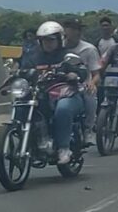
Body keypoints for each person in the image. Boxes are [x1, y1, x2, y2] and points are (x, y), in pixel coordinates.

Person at [20, 21, 87, 165]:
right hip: (41, 94)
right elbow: (23, 71)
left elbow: (82, 70)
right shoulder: (33, 57)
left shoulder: (68, 55)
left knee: (63, 109)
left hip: (67, 94)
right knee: (22, 104)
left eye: (51, 40)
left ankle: (64, 148)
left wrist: (74, 75)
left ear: (59, 40)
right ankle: (32, 144)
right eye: (44, 40)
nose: (48, 43)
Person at [63, 18, 101, 146]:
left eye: (76, 29)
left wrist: (92, 83)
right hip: (60, 83)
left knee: (90, 94)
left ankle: (88, 129)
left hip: (81, 84)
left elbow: (96, 73)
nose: (73, 32)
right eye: (70, 28)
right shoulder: (58, 47)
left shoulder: (89, 49)